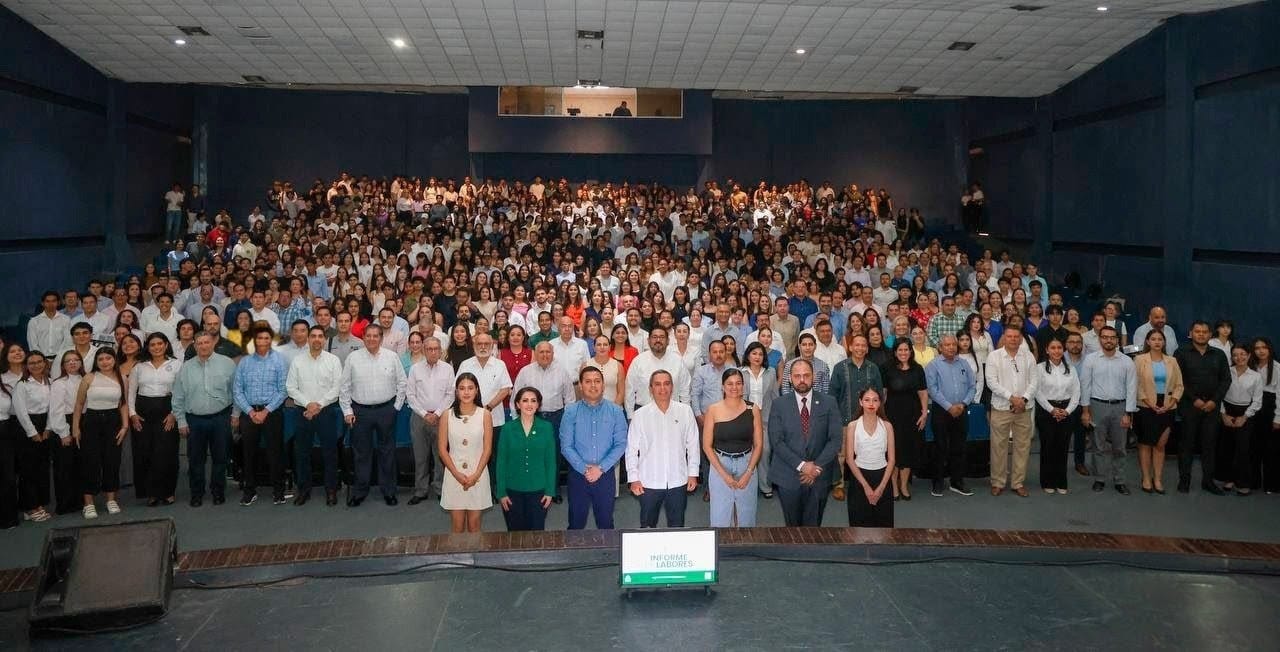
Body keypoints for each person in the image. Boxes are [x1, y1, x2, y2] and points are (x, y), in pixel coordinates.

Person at [340, 324, 408, 507]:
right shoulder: (353, 358)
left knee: (387, 452)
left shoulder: (392, 357)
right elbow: (344, 386)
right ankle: (360, 491)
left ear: (381, 338)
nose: (371, 339)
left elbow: (402, 383)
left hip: (386, 410)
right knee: (361, 454)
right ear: (363, 337)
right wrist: (347, 411)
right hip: (360, 412)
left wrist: (396, 407)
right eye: (368, 336)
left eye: (375, 336)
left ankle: (389, 491)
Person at [767, 359, 842, 526]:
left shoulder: (829, 402)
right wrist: (802, 466)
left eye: (806, 375)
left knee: (814, 526)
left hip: (820, 474)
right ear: (790, 379)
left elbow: (835, 439)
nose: (802, 380)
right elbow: (776, 441)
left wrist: (815, 467)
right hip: (788, 475)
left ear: (813, 377)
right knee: (792, 527)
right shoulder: (779, 404)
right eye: (797, 376)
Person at [172, 333, 238, 507]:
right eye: (199, 343)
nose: (203, 346)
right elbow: (178, 396)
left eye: (206, 342)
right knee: (195, 459)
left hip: (221, 418)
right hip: (194, 420)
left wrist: (236, 414)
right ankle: (197, 493)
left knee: (221, 458)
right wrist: (181, 421)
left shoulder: (227, 364)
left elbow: (236, 391)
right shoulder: (186, 368)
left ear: (213, 343)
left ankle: (218, 492)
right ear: (195, 346)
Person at [626, 370, 699, 528]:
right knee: (647, 527)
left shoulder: (685, 411)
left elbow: (693, 445)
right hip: (648, 481)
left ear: (672, 387)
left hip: (678, 480)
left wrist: (693, 473)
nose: (662, 388)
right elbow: (631, 450)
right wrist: (633, 478)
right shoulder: (639, 415)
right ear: (650, 388)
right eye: (657, 384)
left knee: (677, 527)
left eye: (666, 384)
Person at [560, 366, 628, 529]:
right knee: (575, 523)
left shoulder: (616, 411)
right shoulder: (570, 412)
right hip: (578, 475)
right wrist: (584, 469)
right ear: (580, 386)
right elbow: (566, 446)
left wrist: (600, 468)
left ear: (603, 385)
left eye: (597, 381)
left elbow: (621, 444)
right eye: (588, 381)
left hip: (605, 474)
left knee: (606, 523)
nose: (593, 385)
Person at [286, 325, 343, 506]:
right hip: (303, 412)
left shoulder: (333, 360)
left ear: (324, 340)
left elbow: (337, 387)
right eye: (313, 336)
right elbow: (291, 387)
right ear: (308, 339)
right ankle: (304, 490)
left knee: (330, 453)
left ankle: (331, 490)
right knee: (302, 453)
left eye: (320, 336)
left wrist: (319, 405)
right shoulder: (297, 361)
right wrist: (308, 404)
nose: (317, 339)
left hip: (326, 412)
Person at [512, 341, 576, 502]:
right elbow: (515, 398)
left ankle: (553, 489)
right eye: (541, 352)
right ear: (535, 353)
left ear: (553, 354)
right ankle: (535, 487)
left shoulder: (562, 371)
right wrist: (517, 422)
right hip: (532, 418)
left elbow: (570, 399)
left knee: (553, 455)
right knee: (532, 454)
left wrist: (567, 423)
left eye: (548, 352)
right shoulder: (525, 372)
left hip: (556, 418)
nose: (545, 355)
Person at [233, 325, 289, 506]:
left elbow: (283, 390)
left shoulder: (279, 360)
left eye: (266, 338)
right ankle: (250, 491)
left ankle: (278, 491)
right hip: (249, 413)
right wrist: (250, 411)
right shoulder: (245, 362)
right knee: (249, 454)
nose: (263, 341)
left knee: (275, 453)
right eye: (259, 338)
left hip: (271, 413)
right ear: (254, 341)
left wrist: (265, 411)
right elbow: (237, 390)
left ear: (271, 340)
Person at [1173, 321, 1231, 495]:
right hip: (1189, 406)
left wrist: (1214, 401)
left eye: (1205, 332)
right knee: (1186, 446)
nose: (1201, 334)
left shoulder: (1219, 354)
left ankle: (1208, 482)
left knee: (1209, 446)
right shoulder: (1181, 353)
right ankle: (1184, 481)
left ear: (1210, 334)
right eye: (1197, 331)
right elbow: (1178, 379)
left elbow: (1225, 380)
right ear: (1191, 333)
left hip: (1212, 408)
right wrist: (1194, 399)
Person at [71, 348, 130, 519]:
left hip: (113, 422)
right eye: (101, 359)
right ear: (96, 362)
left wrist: (125, 426)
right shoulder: (89, 378)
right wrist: (76, 428)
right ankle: (88, 503)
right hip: (91, 422)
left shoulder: (122, 378)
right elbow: (79, 404)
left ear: (114, 360)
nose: (105, 362)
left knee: (112, 461)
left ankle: (111, 499)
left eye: (108, 358)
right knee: (90, 462)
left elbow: (123, 404)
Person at [1080, 326, 1138, 495]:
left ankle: (1119, 480)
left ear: (1117, 340)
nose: (1108, 340)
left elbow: (1132, 388)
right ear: (1100, 339)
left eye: (1112, 337)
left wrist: (1128, 413)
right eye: (1105, 337)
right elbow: (1085, 386)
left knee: (1120, 448)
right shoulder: (1090, 360)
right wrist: (1085, 411)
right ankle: (1099, 479)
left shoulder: (1127, 361)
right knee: (1098, 446)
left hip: (1120, 407)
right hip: (1097, 406)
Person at [701, 368, 763, 527]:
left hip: (747, 464)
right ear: (722, 386)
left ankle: (745, 544)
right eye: (730, 383)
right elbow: (707, 446)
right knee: (720, 516)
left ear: (743, 386)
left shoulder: (753, 409)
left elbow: (758, 444)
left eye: (738, 383)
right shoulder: (713, 410)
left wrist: (748, 472)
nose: (734, 387)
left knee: (746, 517)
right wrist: (724, 474)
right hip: (720, 464)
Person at [128, 333, 182, 506]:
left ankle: (168, 492)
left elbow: (181, 391)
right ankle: (151, 493)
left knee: (167, 452)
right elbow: (131, 392)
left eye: (160, 343)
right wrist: (132, 414)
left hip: (167, 410)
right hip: (143, 413)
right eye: (152, 344)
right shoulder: (139, 366)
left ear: (166, 345)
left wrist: (174, 413)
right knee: (146, 452)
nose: (156, 347)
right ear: (148, 347)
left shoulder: (176, 364)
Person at [829, 334, 884, 501]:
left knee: (865, 453)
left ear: (867, 349)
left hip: (868, 420)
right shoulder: (840, 368)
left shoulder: (873, 368)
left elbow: (879, 394)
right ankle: (838, 485)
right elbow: (832, 395)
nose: (860, 348)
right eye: (857, 345)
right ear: (851, 347)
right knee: (841, 455)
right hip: (844, 419)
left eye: (863, 345)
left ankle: (863, 483)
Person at [985, 326, 1038, 496]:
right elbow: (991, 382)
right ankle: (997, 482)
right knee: (998, 447)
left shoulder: (1028, 356)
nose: (1013, 339)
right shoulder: (994, 356)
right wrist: (1012, 398)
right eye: (1010, 336)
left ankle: (1018, 482)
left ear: (1021, 338)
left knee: (1022, 447)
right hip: (1001, 408)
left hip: (1024, 408)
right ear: (1004, 338)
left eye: (1016, 336)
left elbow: (1034, 381)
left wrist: (1023, 399)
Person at [438, 373, 493, 533]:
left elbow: (487, 449)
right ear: (456, 392)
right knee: (457, 526)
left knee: (475, 525)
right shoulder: (447, 415)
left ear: (477, 390)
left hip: (478, 474)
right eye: (462, 388)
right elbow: (442, 449)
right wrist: (456, 473)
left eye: (470, 388)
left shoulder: (485, 414)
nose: (466, 392)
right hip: (454, 474)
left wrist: (476, 475)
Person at [496, 387, 556, 531]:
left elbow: (551, 462)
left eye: (533, 401)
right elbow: (501, 462)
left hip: (539, 490)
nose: (529, 404)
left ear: (538, 404)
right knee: (515, 534)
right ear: (517, 404)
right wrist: (501, 492)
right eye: (525, 400)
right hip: (512, 490)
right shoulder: (507, 429)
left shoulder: (546, 427)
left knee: (536, 533)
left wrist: (550, 491)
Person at [405, 336, 455, 504]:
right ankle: (420, 490)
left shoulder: (448, 369)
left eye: (436, 349)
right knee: (420, 456)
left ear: (441, 351)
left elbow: (450, 394)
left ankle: (440, 488)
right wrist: (424, 413)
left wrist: (437, 413)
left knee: (441, 455)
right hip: (419, 418)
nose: (433, 352)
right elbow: (410, 394)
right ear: (424, 350)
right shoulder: (415, 369)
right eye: (429, 349)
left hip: (441, 418)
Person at [924, 336, 976, 497]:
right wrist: (949, 407)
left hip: (961, 410)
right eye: (947, 345)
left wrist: (963, 404)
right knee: (940, 447)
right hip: (941, 411)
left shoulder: (964, 364)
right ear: (940, 347)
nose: (951, 347)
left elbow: (972, 387)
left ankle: (957, 481)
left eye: (954, 344)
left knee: (959, 447)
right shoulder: (933, 365)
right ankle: (938, 482)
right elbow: (932, 389)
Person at [1134, 330, 1183, 494]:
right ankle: (1146, 478)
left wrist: (1171, 403)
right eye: (1153, 339)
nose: (1157, 342)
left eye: (1160, 339)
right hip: (1145, 406)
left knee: (1160, 445)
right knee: (1145, 443)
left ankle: (1158, 479)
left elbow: (1179, 385)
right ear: (1147, 341)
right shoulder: (1139, 359)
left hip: (1167, 407)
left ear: (1164, 342)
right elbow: (1136, 384)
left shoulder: (1172, 361)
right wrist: (1149, 403)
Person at [882, 339, 927, 500]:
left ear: (910, 351)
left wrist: (924, 413)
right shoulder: (887, 368)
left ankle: (903, 485)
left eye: (906, 350)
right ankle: (894, 486)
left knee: (908, 451)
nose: (903, 353)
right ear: (895, 352)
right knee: (894, 451)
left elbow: (923, 392)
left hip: (912, 415)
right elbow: (883, 394)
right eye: (900, 350)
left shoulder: (918, 369)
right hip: (892, 415)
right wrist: (882, 417)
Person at [1034, 339, 1080, 495]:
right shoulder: (1040, 368)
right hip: (1046, 410)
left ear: (1063, 349)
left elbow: (1076, 392)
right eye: (1052, 348)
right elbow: (1037, 392)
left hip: (1066, 410)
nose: (1056, 351)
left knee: (1063, 447)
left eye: (1059, 347)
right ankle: (1047, 481)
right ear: (1047, 350)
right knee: (1048, 447)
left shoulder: (1071, 369)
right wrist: (1052, 410)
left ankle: (1061, 481)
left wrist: (1067, 411)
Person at [845, 386, 896, 527]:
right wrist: (866, 487)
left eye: (875, 400)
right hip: (859, 478)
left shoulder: (887, 426)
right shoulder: (852, 426)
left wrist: (881, 487)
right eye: (867, 400)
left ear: (880, 403)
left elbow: (892, 459)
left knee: (883, 526)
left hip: (882, 477)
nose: (871, 404)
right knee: (859, 526)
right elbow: (849, 459)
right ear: (860, 402)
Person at [12, 351, 54, 522]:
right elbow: (21, 412)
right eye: (32, 363)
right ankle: (30, 507)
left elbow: (53, 407)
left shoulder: (50, 382)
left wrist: (48, 428)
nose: (36, 365)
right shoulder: (22, 385)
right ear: (26, 366)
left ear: (45, 363)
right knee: (28, 469)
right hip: (27, 428)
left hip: (45, 425)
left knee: (42, 468)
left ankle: (39, 503)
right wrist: (33, 432)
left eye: (39, 361)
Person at [1221, 344, 1263, 496]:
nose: (1239, 357)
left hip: (1246, 412)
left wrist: (1244, 417)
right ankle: (1229, 478)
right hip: (1227, 410)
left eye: (1243, 354)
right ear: (1231, 357)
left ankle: (1243, 483)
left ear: (1249, 355)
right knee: (1227, 447)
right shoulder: (1226, 372)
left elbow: (1257, 401)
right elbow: (1218, 394)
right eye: (1235, 355)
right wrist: (1223, 414)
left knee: (1243, 449)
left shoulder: (1256, 376)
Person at [47, 350, 84, 515]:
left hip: (84, 421)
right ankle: (65, 504)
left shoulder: (86, 379)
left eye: (76, 360)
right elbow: (56, 410)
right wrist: (64, 433)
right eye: (68, 361)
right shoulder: (59, 383)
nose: (72, 363)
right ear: (63, 365)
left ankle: (80, 500)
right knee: (64, 466)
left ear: (81, 363)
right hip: (65, 423)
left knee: (80, 464)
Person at [624, 326, 691, 416]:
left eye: (662, 337)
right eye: (654, 337)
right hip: (643, 413)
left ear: (668, 341)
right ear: (648, 341)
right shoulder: (638, 361)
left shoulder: (677, 361)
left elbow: (685, 390)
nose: (658, 340)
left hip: (672, 413)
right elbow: (629, 390)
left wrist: (686, 414)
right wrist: (630, 416)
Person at [1249, 338, 1279, 494]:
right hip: (1254, 407)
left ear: (1269, 349)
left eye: (1264, 347)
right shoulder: (1251, 366)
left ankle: (1271, 484)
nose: (1261, 351)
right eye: (1257, 348)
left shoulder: (1277, 367)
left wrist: (1278, 418)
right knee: (1253, 446)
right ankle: (1253, 481)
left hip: (1270, 408)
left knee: (1271, 449)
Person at [583, 334, 624, 407]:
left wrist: (613, 409)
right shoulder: (585, 365)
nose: (602, 347)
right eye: (599, 345)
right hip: (590, 408)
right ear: (594, 348)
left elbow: (621, 392)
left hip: (613, 408)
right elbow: (583, 391)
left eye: (605, 345)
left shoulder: (618, 366)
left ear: (609, 347)